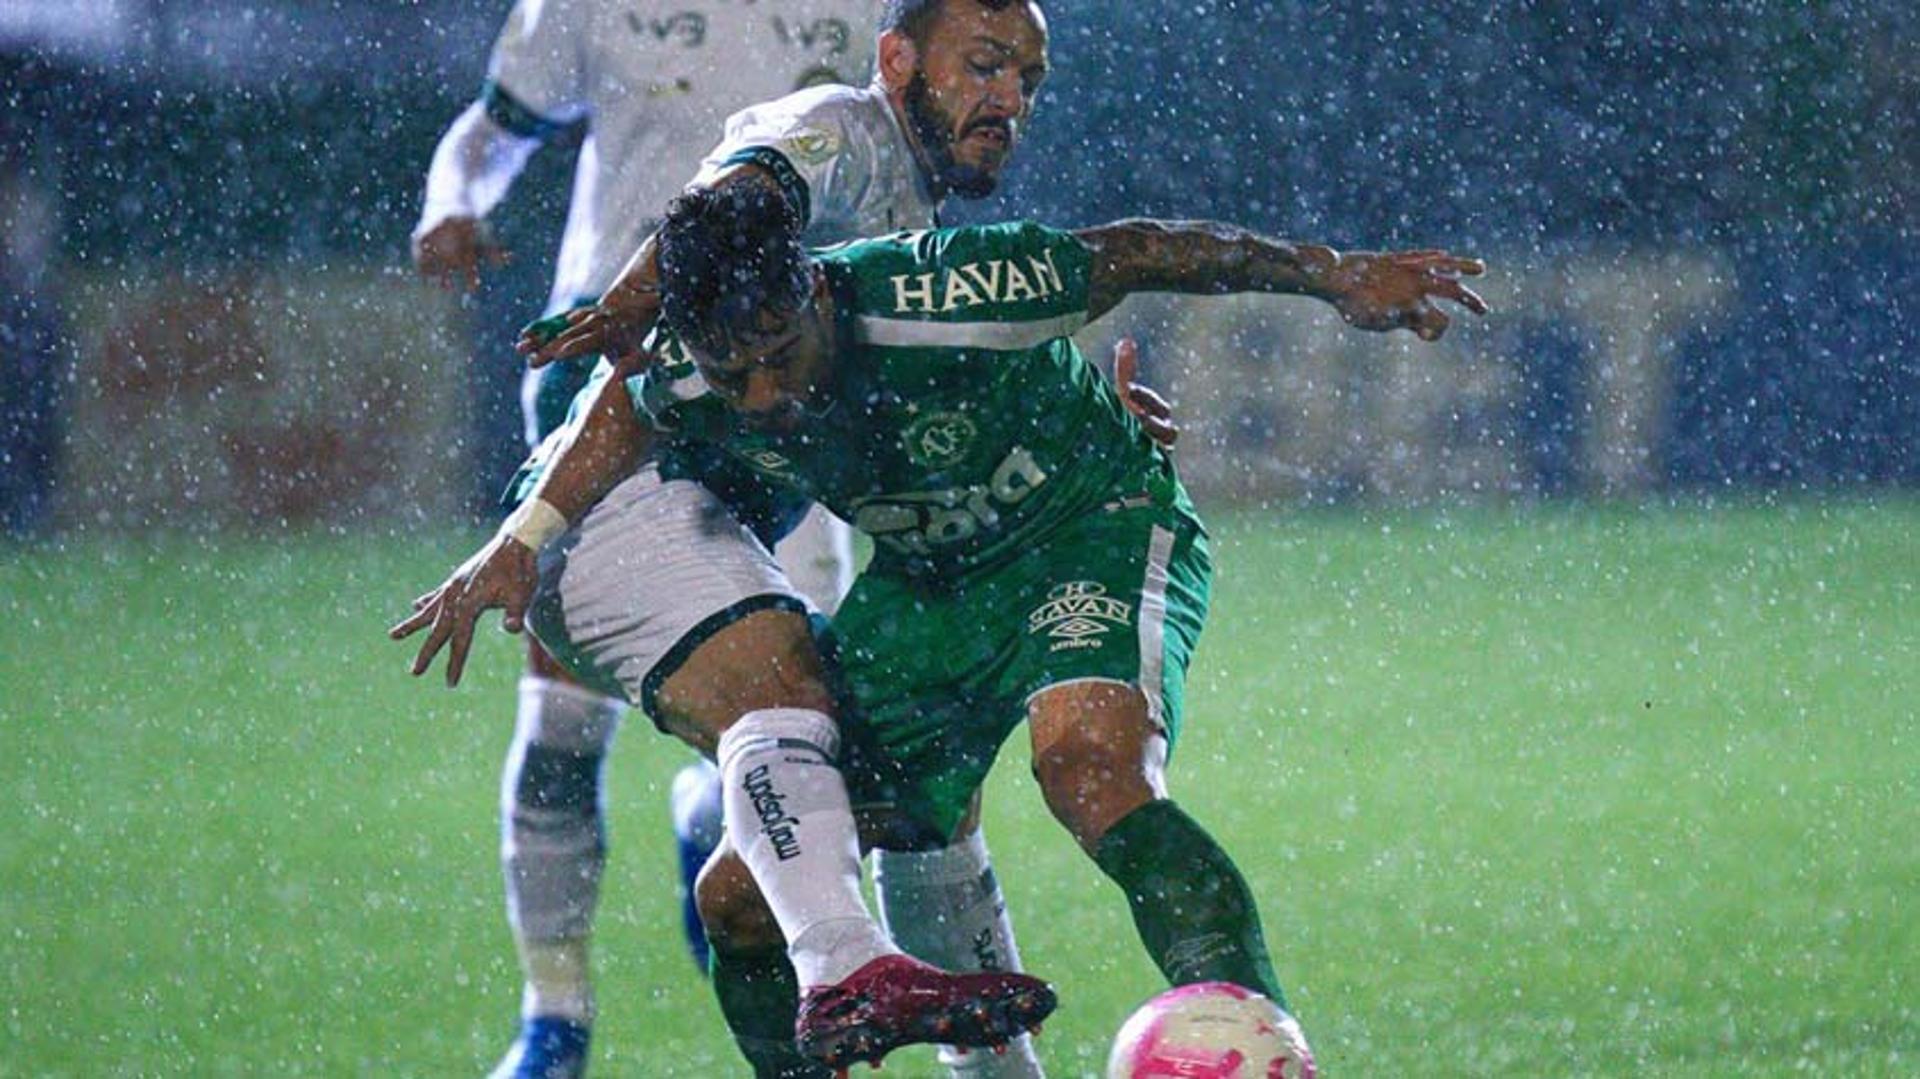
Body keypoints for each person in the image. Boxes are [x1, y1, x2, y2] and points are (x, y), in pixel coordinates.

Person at [403, 183, 1487, 1076]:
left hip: (1085, 526)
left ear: (818, 288)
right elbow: (624, 411)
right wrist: (525, 538)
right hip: (927, 585)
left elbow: (1136, 248)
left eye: (782, 348)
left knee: (1088, 767)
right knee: (737, 897)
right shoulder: (704, 361)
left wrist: (1331, 273)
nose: (768, 390)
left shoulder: (944, 285)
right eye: (737, 372)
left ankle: (1259, 1031)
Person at [402, 3, 1129, 1075]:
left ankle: (762, 874)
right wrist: (451, 201)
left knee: (846, 740)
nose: (1010, 94)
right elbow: (497, 127)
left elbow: (904, 237)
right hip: (619, 379)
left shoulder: (883, 22)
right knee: (579, 722)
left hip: (797, 413)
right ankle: (553, 1017)